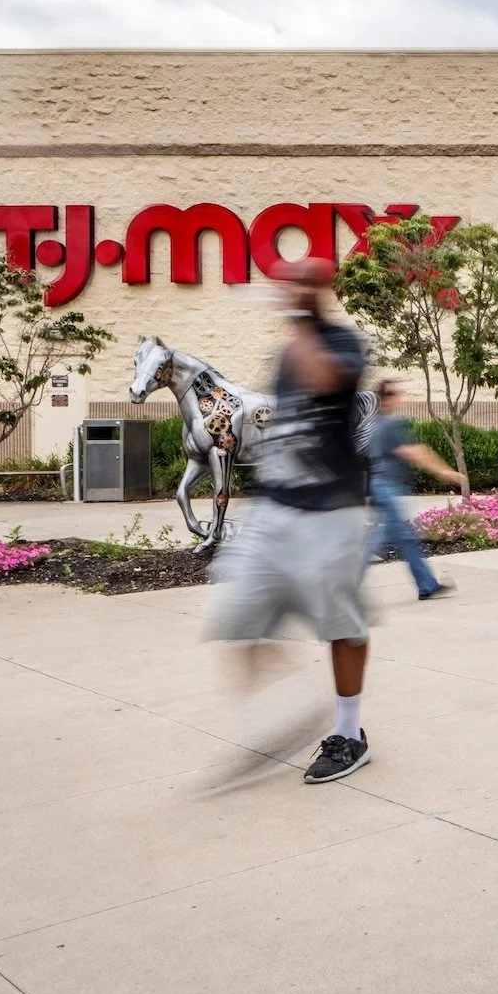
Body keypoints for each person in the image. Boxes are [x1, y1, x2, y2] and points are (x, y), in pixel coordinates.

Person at [203, 257, 377, 785]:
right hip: (278, 506)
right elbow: (284, 424)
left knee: (341, 622)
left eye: (302, 281)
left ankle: (349, 733)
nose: (289, 289)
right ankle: (284, 716)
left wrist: (300, 319)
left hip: (334, 507)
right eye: (288, 281)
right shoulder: (282, 356)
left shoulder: (342, 343)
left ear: (319, 288)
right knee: (236, 613)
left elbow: (325, 379)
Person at [363, 379, 465, 600]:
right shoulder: (389, 423)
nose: (401, 398)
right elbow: (413, 453)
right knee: (381, 541)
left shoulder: (378, 424)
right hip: (387, 489)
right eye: (395, 394)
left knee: (402, 538)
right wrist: (444, 472)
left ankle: (427, 584)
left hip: (383, 487)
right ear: (385, 399)